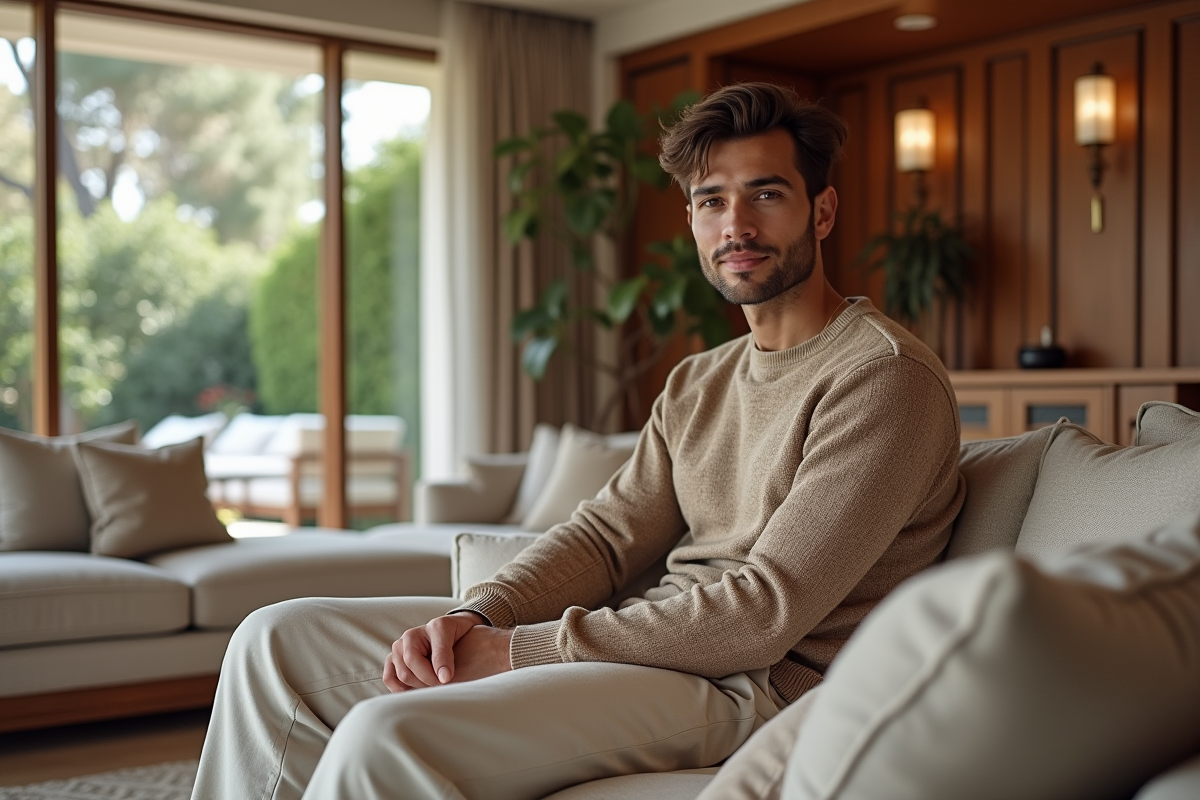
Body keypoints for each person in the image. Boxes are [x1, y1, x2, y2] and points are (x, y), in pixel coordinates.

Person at [190, 82, 965, 800]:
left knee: (387, 733)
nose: (736, 225)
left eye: (766, 193)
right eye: (712, 200)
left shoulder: (882, 378)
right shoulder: (700, 379)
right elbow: (604, 537)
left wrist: (518, 650)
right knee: (273, 640)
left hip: (749, 687)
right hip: (653, 644)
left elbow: (763, 612)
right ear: (692, 220)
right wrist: (481, 616)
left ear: (822, 212)